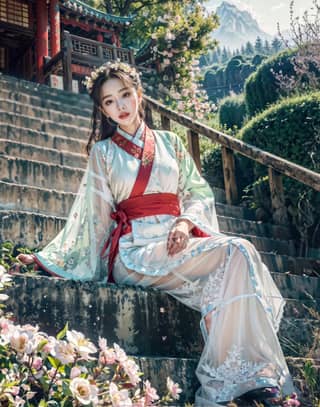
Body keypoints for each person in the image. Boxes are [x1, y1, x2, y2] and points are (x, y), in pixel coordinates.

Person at [17, 61, 294, 406]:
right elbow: (92, 219)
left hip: (178, 240)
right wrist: (49, 261)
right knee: (235, 255)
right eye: (109, 102)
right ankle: (241, 378)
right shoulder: (103, 153)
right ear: (102, 110)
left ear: (139, 94)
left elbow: (198, 192)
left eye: (125, 95)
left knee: (239, 253)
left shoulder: (171, 142)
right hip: (135, 251)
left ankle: (245, 375)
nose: (120, 106)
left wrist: (183, 222)